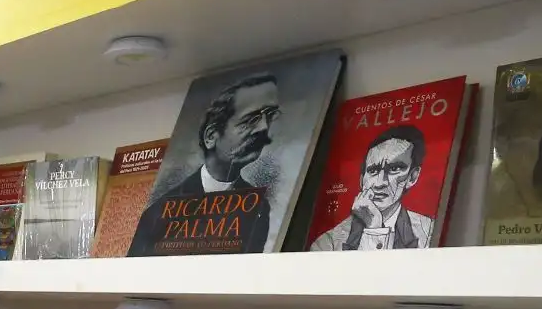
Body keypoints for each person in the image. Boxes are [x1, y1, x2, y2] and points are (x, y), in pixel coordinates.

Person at [129, 74, 281, 255]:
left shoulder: (259, 208)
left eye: (269, 116)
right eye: (250, 120)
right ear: (211, 137)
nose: (264, 128)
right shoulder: (157, 214)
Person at [309, 125, 435, 251]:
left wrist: (375, 229)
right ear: (362, 180)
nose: (380, 183)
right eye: (373, 171)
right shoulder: (328, 243)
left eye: (394, 169)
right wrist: (374, 229)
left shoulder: (429, 232)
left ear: (412, 177)